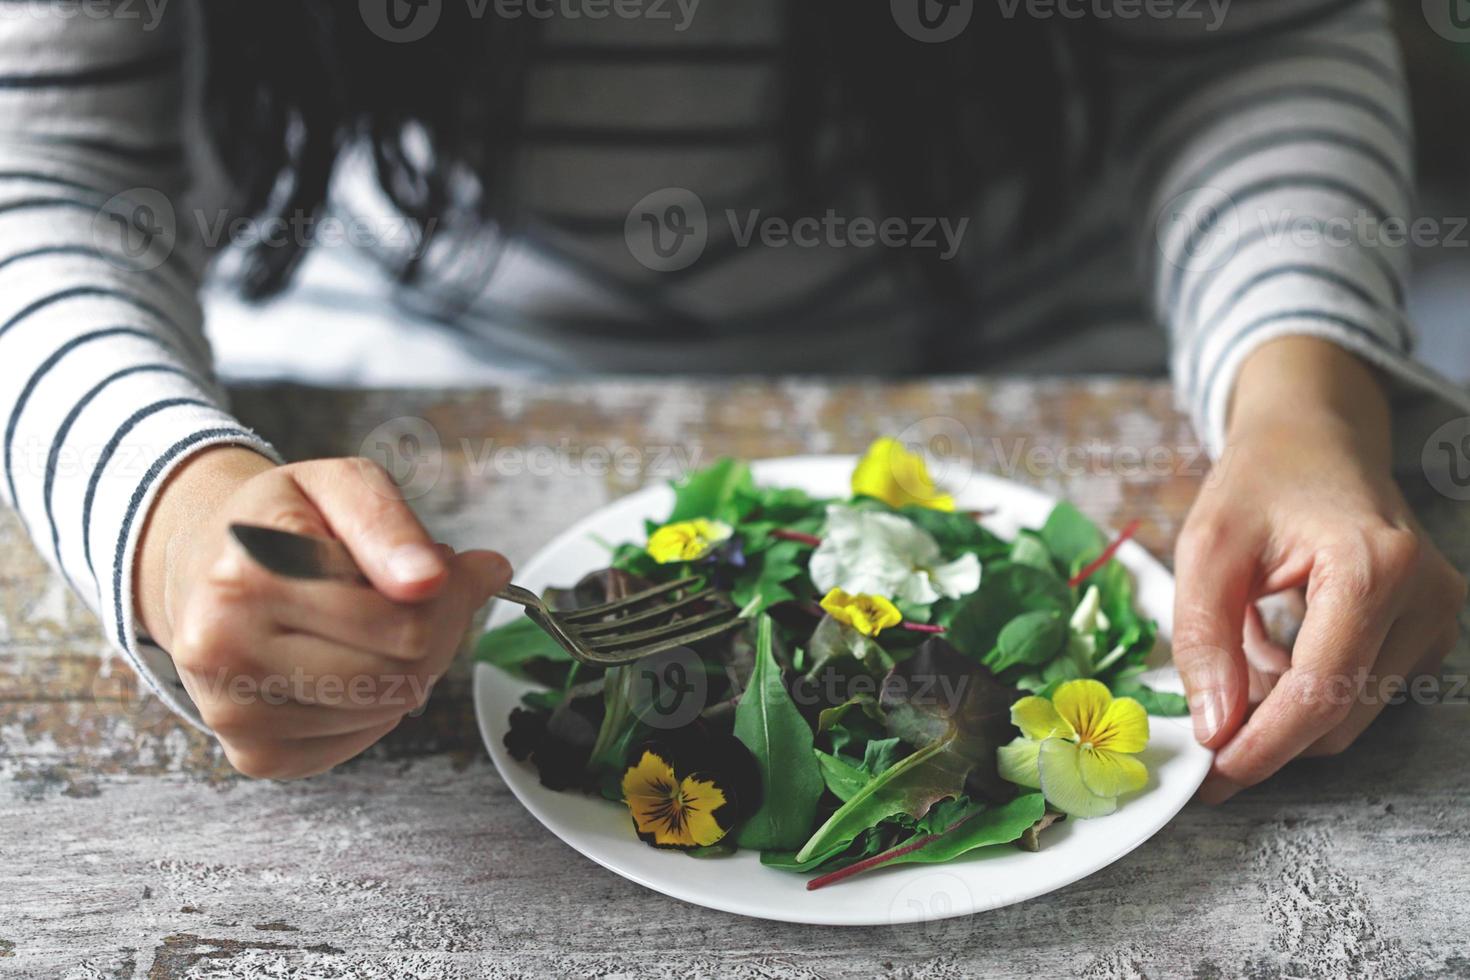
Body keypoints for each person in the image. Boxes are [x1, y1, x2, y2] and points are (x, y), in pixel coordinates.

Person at [0, 0, 1465, 797]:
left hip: (1047, 336)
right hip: (388, 341)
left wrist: (1301, 407)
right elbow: (43, 167)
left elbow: (1255, 39)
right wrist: (167, 503)